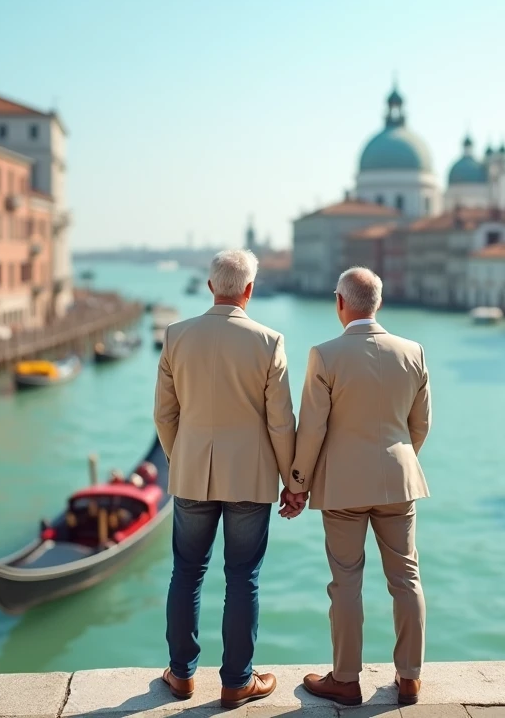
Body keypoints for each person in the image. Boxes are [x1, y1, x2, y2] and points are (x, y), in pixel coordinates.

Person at [153, 248, 296, 709]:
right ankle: (236, 681)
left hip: (192, 471)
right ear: (249, 291)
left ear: (211, 286)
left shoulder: (176, 336)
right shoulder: (269, 341)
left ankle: (181, 676)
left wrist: (183, 458)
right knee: (243, 578)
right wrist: (293, 479)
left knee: (187, 572)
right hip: (250, 477)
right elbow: (281, 422)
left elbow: (164, 414)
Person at [286, 266, 431, 707]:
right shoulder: (413, 352)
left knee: (345, 582)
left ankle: (346, 680)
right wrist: (397, 462)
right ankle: (410, 679)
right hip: (398, 480)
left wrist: (298, 484)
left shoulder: (325, 355)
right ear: (379, 304)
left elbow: (311, 429)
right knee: (406, 578)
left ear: (340, 303)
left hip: (343, 486)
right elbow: (420, 425)